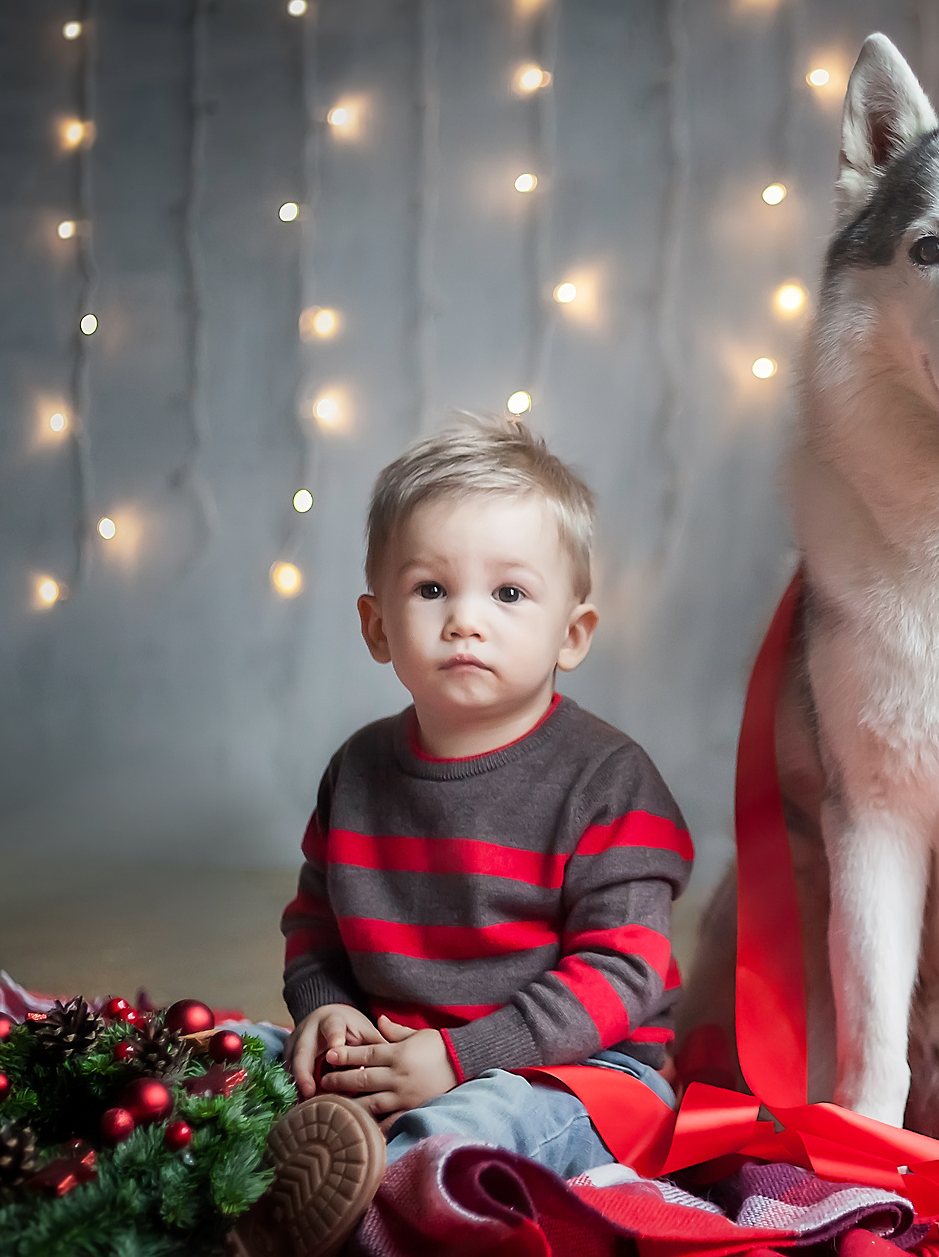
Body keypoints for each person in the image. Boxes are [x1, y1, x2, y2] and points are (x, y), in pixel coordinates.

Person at [233, 416, 691, 1257]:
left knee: (478, 1125)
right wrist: (327, 1010)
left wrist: (462, 1056)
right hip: (392, 1046)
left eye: (508, 593)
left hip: (579, 1073)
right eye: (431, 590)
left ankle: (350, 1210)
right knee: (223, 1058)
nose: (465, 621)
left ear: (573, 633)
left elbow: (622, 972)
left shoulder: (608, 781)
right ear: (377, 626)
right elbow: (316, 926)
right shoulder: (359, 770)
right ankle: (265, 1172)